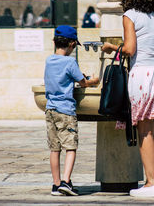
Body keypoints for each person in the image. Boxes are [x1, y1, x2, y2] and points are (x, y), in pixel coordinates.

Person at [101, 0, 154, 198]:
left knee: (144, 132)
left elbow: (130, 49)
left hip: (143, 73)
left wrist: (111, 47)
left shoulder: (130, 15)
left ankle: (151, 184)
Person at [44, 25, 99, 196]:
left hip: (50, 109)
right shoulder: (70, 61)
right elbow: (82, 82)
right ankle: (66, 182)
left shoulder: (49, 60)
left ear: (54, 42)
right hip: (66, 110)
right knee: (70, 147)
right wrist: (94, 81)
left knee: (55, 148)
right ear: (72, 44)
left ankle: (55, 184)